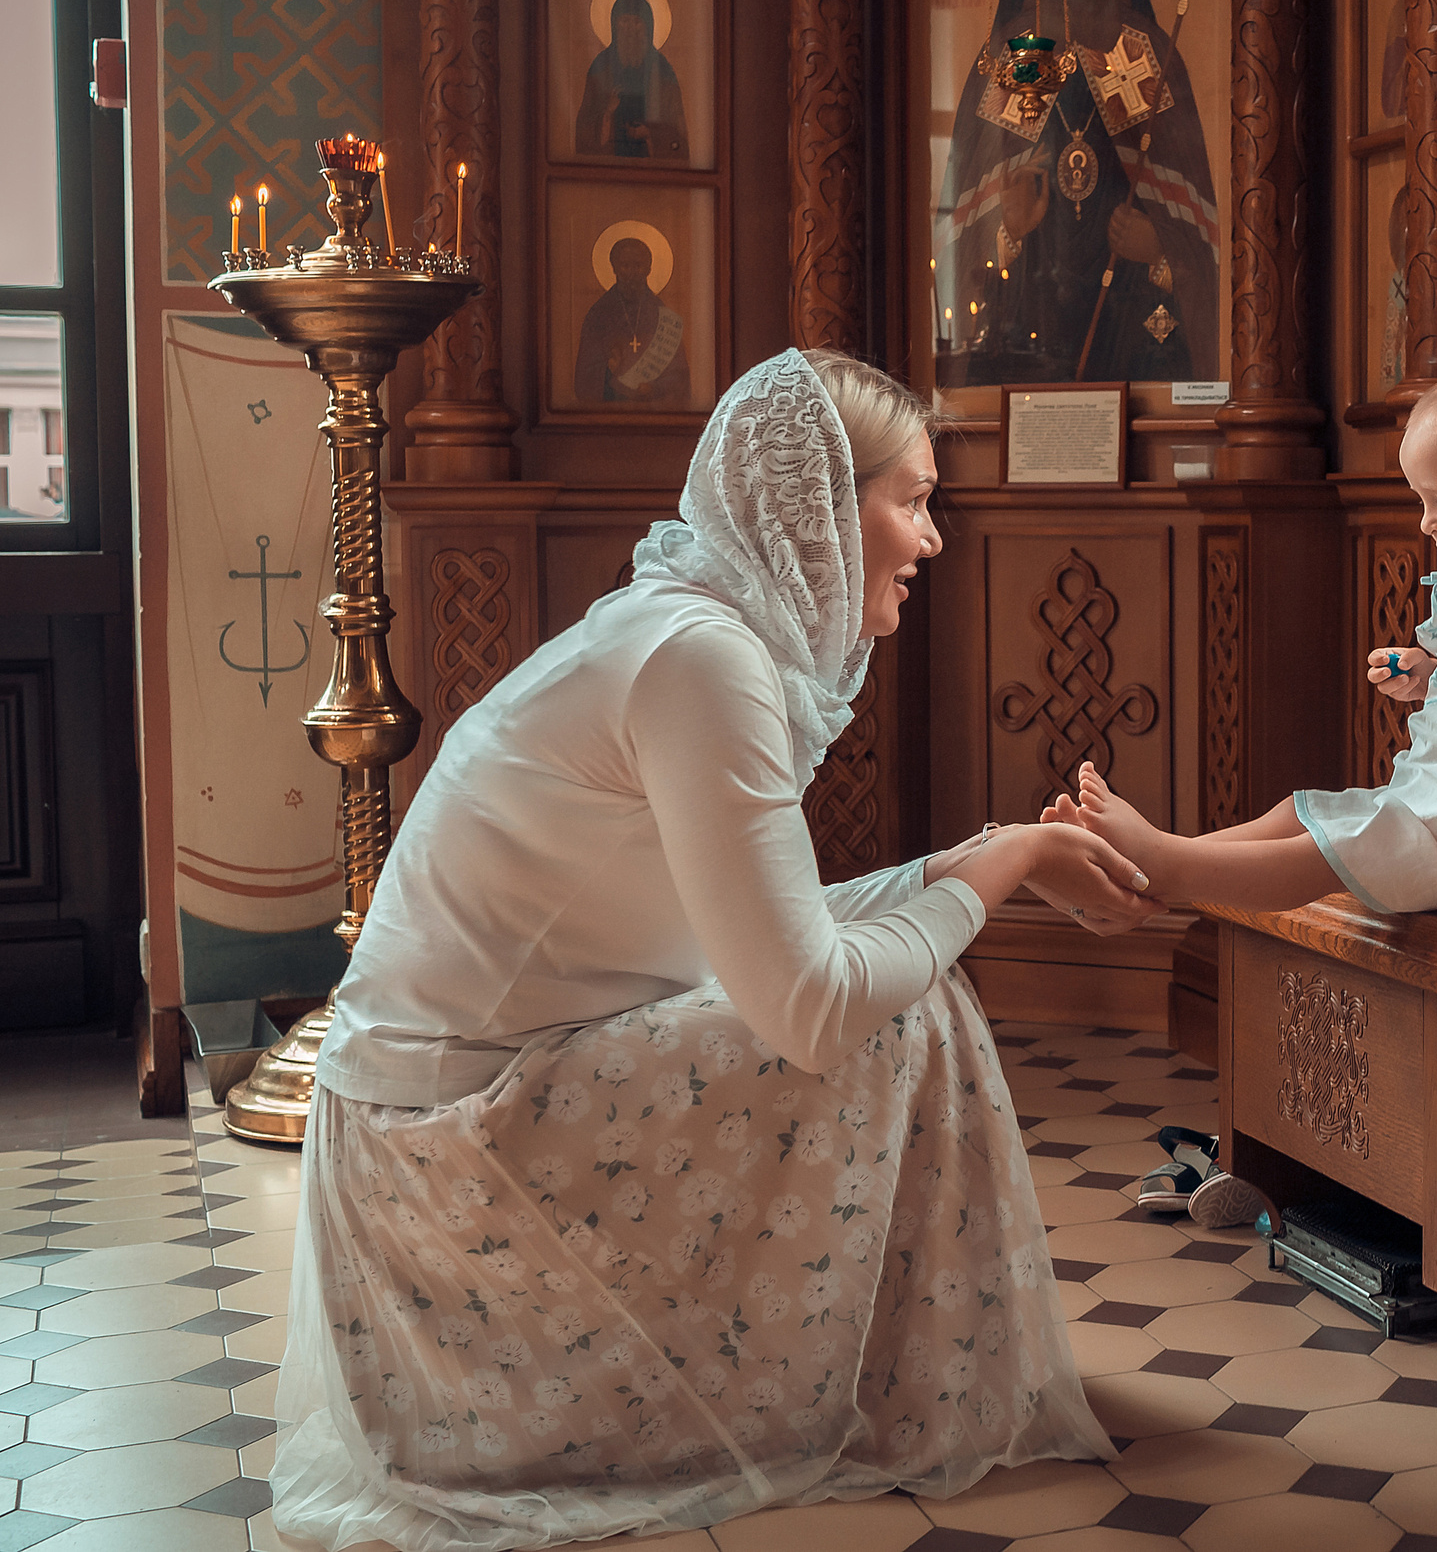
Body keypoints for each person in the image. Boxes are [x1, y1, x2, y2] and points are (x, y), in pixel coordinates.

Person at [270, 349, 1160, 1550]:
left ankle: (870, 1380)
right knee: (904, 1010)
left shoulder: (692, 635)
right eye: (914, 500)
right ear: (824, 517)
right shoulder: (705, 660)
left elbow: (778, 936)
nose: (931, 540)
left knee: (904, 980)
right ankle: (902, 1394)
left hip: (444, 1123)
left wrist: (987, 855)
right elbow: (809, 1002)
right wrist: (995, 872)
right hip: (443, 1173)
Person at [1056, 350, 1437, 915]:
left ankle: (1167, 871)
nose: (1428, 523)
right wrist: (1429, 675)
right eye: (1422, 501)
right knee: (1300, 812)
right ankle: (1163, 850)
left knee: (1332, 850)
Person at [934, 0, 1220, 385]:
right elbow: (971, 215)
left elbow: (1191, 208)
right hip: (1030, 307)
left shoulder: (1138, 51)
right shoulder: (1027, 56)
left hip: (1134, 306)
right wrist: (1010, 231)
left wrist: (1159, 247)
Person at [573, 235, 690, 405]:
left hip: (655, 414)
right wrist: (609, 372)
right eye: (625, 265)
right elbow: (585, 378)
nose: (632, 273)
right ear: (614, 268)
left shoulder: (662, 316)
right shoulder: (599, 315)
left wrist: (654, 388)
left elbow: (679, 376)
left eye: (638, 265)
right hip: (611, 412)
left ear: (649, 268)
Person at [574, 0, 689, 161]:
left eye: (637, 22)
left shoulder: (662, 70)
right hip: (609, 168)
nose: (630, 30)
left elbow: (677, 131)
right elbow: (584, 128)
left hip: (652, 171)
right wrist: (607, 114)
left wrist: (649, 133)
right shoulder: (601, 67)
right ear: (614, 25)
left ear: (648, 27)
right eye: (624, 21)